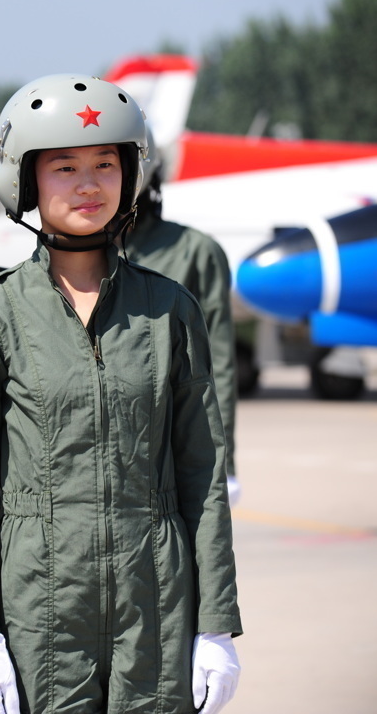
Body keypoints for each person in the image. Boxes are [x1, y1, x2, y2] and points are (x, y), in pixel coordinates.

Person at [0, 75, 242, 714]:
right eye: (65, 167)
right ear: (25, 180)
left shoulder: (170, 309)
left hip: (157, 595)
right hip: (40, 601)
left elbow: (202, 473)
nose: (88, 184)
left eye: (106, 164)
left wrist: (215, 622)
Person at [125, 124, 242, 505]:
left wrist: (225, 461)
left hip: (173, 457)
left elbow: (217, 365)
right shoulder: (69, 260)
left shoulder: (195, 252)